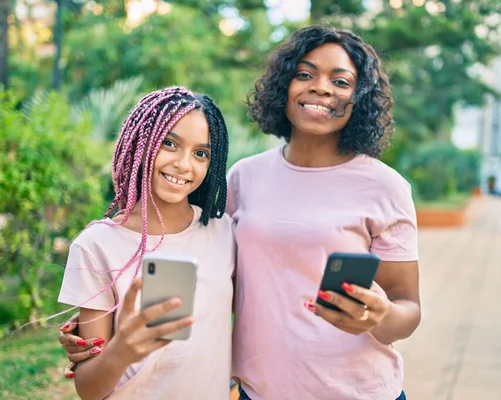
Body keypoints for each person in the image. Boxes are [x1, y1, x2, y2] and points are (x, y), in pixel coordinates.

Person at [59, 25, 420, 400]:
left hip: (358, 391)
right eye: (305, 74)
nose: (322, 88)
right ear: (284, 85)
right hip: (259, 391)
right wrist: (102, 321)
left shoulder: (385, 186)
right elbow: (217, 280)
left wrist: (380, 317)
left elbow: (408, 309)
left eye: (341, 81)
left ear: (359, 98)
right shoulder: (244, 178)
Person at [57, 87, 235, 400]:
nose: (183, 164)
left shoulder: (223, 232)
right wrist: (121, 350)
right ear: (142, 142)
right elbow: (89, 390)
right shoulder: (96, 244)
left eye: (201, 153)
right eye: (170, 143)